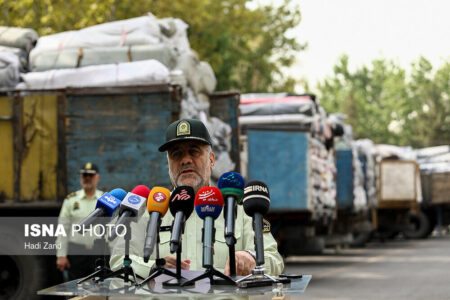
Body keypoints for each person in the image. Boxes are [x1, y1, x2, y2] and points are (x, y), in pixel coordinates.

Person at [109, 118, 284, 278]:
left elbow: (273, 259)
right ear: (168, 164)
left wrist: (251, 258)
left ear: (212, 160)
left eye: (194, 151)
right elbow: (118, 260)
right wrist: (152, 268)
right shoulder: (149, 209)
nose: (185, 160)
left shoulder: (238, 209)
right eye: (176, 154)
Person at [55, 162, 104, 280]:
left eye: (90, 176)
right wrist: (61, 255)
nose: (87, 178)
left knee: (101, 290)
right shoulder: (71, 200)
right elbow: (62, 229)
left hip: (99, 252)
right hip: (77, 253)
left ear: (97, 178)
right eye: (84, 175)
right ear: (80, 178)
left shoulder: (105, 199)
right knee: (77, 290)